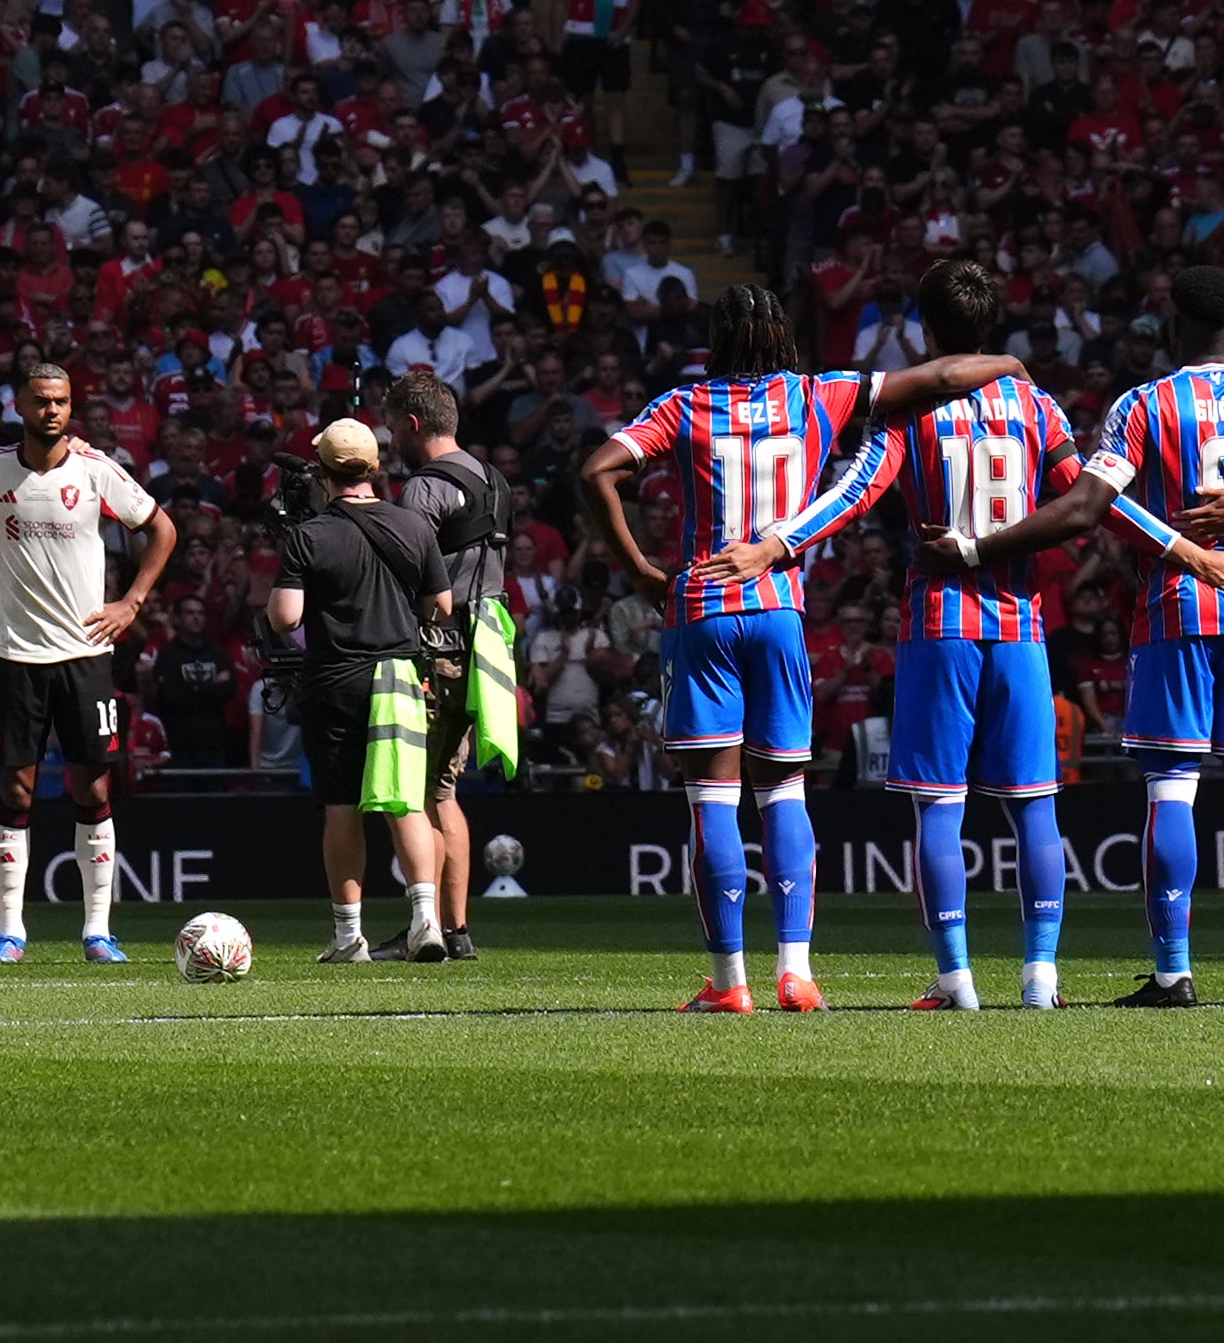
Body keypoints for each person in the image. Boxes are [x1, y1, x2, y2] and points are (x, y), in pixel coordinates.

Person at [583, 280, 1023, 1015]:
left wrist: (641, 570)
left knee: (713, 799)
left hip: (702, 606)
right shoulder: (821, 393)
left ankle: (730, 984)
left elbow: (597, 469)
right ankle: (798, 972)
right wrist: (1008, 362)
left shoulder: (681, 406)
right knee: (784, 790)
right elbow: (944, 375)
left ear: (716, 339)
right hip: (781, 608)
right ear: (783, 334)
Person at [746, 258, 1083, 1009]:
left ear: (927, 328)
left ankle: (957, 976)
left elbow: (855, 491)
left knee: (939, 806)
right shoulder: (1035, 403)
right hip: (1021, 625)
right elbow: (1087, 496)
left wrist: (778, 542)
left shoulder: (910, 410)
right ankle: (1041, 977)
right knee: (1034, 806)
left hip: (940, 625)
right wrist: (1176, 545)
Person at [1072, 260, 1224, 1007]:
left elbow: (1099, 500)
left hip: (1176, 607)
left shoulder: (1145, 402)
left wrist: (1183, 550)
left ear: (1172, 326)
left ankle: (1174, 971)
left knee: (1171, 791)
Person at [0, 357, 177, 967]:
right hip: (18, 656)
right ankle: (10, 932)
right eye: (41, 401)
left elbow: (162, 529)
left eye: (61, 401)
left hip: (86, 655)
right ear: (19, 406)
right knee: (17, 789)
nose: (52, 410)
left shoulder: (96, 469)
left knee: (92, 784)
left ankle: (97, 932)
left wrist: (131, 602)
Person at [268, 417, 451, 961]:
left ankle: (349, 936)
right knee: (408, 805)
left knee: (342, 807)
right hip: (398, 678)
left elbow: (286, 617)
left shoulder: (309, 535)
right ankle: (426, 922)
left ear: (322, 472)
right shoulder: (414, 527)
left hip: (335, 681)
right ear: (376, 467)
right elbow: (439, 606)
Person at [379, 371, 510, 965]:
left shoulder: (425, 490)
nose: (389, 440)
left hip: (436, 648)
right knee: (444, 789)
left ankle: (424, 926)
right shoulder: (495, 479)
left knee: (414, 789)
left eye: (391, 428)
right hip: (488, 650)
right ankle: (457, 930)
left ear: (412, 425)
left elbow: (413, 577)